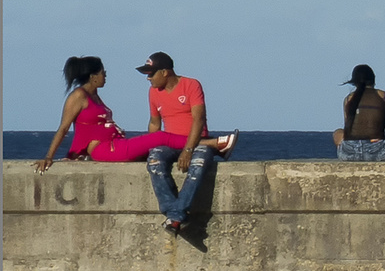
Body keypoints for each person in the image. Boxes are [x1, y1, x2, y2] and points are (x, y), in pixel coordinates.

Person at [34, 58, 237, 185]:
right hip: (105, 150)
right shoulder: (78, 97)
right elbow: (64, 128)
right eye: (103, 72)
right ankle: (213, 143)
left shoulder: (94, 95)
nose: (106, 75)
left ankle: (210, 146)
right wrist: (48, 156)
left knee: (156, 149)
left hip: (114, 145)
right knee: (159, 137)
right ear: (93, 75)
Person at [139, 52, 232, 233]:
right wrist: (148, 148)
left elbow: (198, 119)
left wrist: (188, 150)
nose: (148, 78)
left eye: (151, 74)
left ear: (165, 72)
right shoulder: (153, 92)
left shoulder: (191, 85)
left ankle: (175, 215)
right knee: (155, 161)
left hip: (197, 142)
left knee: (198, 164)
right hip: (169, 142)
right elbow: (154, 123)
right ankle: (174, 211)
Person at [332, 65, 385, 161]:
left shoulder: (349, 99)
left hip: (349, 154)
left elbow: (348, 130)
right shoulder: (384, 97)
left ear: (354, 82)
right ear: (373, 79)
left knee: (338, 132)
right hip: (377, 152)